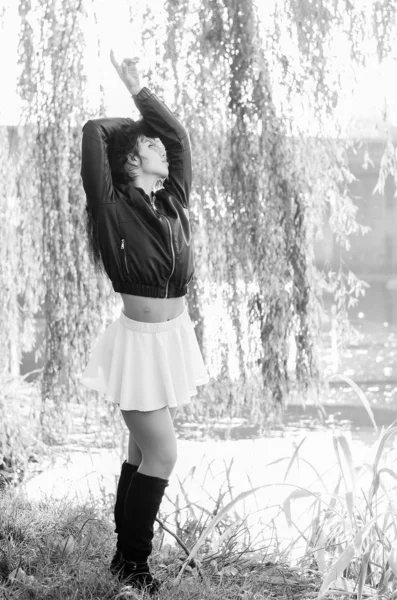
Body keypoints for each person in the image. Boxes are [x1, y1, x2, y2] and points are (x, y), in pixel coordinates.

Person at [79, 51, 209, 595]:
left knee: (139, 453)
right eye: (146, 145)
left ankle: (122, 561)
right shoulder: (112, 205)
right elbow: (93, 132)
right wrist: (127, 126)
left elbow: (176, 135)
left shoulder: (172, 198)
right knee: (163, 453)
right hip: (137, 345)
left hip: (171, 339)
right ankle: (134, 565)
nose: (161, 146)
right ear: (131, 162)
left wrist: (139, 91)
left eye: (155, 143)